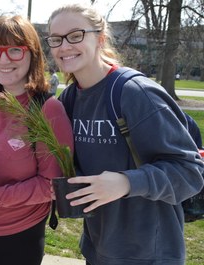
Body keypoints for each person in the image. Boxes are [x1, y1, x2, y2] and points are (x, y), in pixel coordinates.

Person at [46, 4, 204, 265]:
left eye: (75, 35)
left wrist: (126, 182)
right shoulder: (70, 98)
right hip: (98, 248)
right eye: (56, 39)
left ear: (99, 38)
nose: (64, 46)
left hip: (150, 253)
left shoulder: (135, 93)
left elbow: (189, 172)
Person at [0, 15, 74, 265]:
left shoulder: (47, 110)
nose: (3, 60)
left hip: (18, 233)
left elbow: (50, 185)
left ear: (33, 54)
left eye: (15, 50)